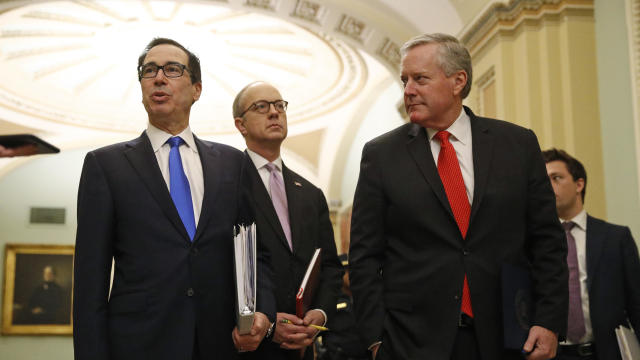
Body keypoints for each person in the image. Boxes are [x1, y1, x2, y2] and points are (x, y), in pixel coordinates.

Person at [348, 33, 568, 360]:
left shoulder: (517, 145)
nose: (408, 90)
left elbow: (547, 241)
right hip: (411, 342)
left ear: (458, 81)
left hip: (508, 336)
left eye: (420, 79)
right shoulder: (381, 155)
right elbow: (365, 256)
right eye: (404, 80)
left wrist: (548, 321)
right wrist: (376, 339)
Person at [73, 38, 275, 360]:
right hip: (139, 345)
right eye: (149, 70)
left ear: (196, 89)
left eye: (172, 69)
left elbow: (254, 251)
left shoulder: (232, 163)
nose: (158, 78)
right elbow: (89, 281)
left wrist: (262, 311)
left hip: (221, 344)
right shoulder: (105, 166)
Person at [233, 81, 343, 359]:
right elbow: (222, 264)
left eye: (279, 106)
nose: (274, 113)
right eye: (261, 107)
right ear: (241, 125)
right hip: (249, 343)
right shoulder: (226, 183)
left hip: (303, 344)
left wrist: (320, 314)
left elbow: (329, 265)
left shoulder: (311, 193)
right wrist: (267, 321)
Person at [543, 148, 640, 360]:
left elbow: (636, 302)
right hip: (554, 355)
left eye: (556, 178)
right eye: (544, 180)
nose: (548, 186)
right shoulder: (534, 242)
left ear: (579, 184)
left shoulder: (616, 238)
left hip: (606, 352)